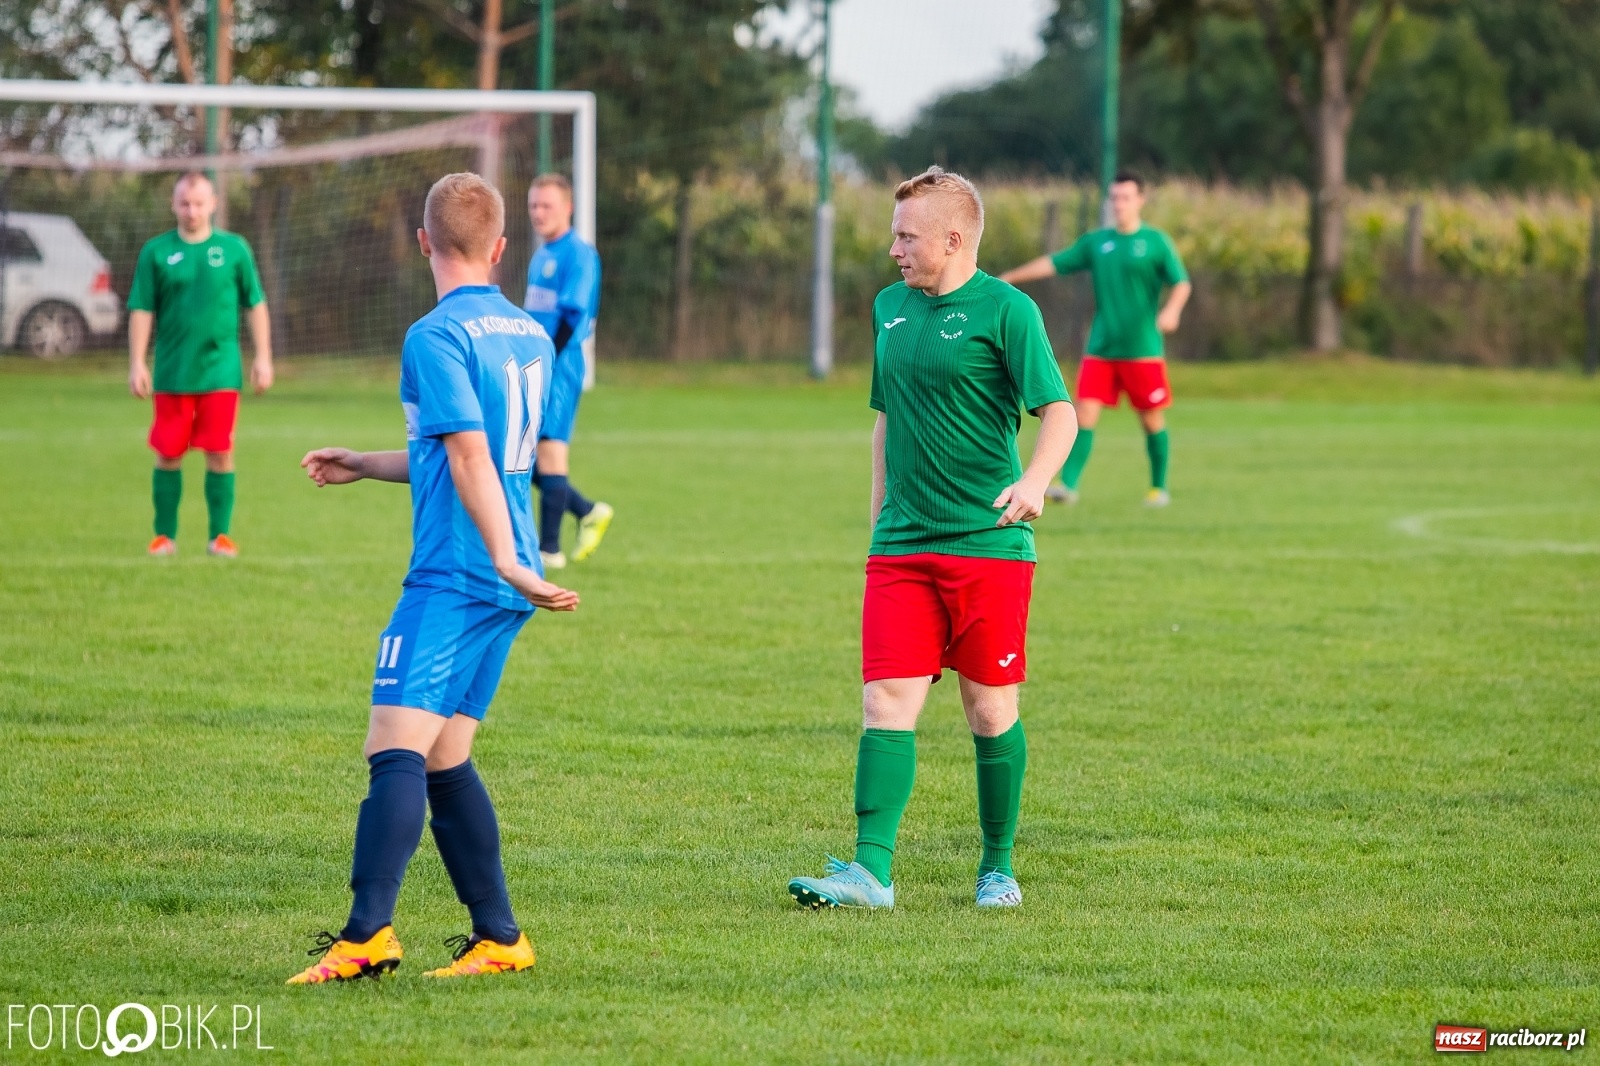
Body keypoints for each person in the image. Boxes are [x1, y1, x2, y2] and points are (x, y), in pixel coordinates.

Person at [289, 172, 579, 984]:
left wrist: (507, 561)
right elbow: (461, 453)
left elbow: (469, 455)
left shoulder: (434, 334)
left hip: (462, 571)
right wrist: (369, 464)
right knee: (445, 756)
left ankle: (365, 936)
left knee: (392, 747)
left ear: (422, 242)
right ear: (501, 247)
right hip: (499, 572)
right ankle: (500, 937)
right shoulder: (526, 333)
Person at [787, 166, 1077, 911]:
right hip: (901, 550)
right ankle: (871, 873)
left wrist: (1036, 480)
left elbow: (1060, 411)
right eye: (894, 235)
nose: (894, 251)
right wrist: (878, 524)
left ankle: (998, 867)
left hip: (988, 546)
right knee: (885, 701)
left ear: (954, 240)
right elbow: (885, 421)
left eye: (906, 236)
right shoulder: (889, 308)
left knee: (990, 710)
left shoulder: (1009, 312)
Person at [1000, 171, 1190, 507]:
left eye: (1126, 197)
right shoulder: (1097, 243)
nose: (1119, 204)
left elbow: (1181, 282)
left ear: (1140, 200)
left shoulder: (1156, 242)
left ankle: (1159, 488)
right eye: (1114, 197)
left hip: (1142, 349)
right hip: (1101, 347)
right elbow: (1054, 263)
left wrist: (1172, 311)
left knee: (1151, 420)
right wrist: (1008, 279)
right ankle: (1068, 485)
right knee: (1083, 414)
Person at [127, 171, 273, 557]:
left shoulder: (235, 249)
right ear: (174, 205)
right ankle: (164, 536)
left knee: (221, 451)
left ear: (213, 204)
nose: (191, 211)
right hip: (172, 373)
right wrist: (137, 362)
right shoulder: (156, 252)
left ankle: (220, 536)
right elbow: (142, 308)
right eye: (184, 203)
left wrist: (263, 357)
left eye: (199, 203)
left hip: (221, 371)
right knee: (168, 453)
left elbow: (255, 303)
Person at [524, 173, 612, 569]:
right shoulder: (541, 254)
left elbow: (573, 313)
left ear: (568, 208)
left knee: (549, 450)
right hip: (538, 362)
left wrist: (546, 357)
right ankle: (587, 510)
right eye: (533, 205)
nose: (538, 213)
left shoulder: (579, 254)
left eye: (547, 206)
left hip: (560, 365)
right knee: (521, 454)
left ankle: (549, 551)